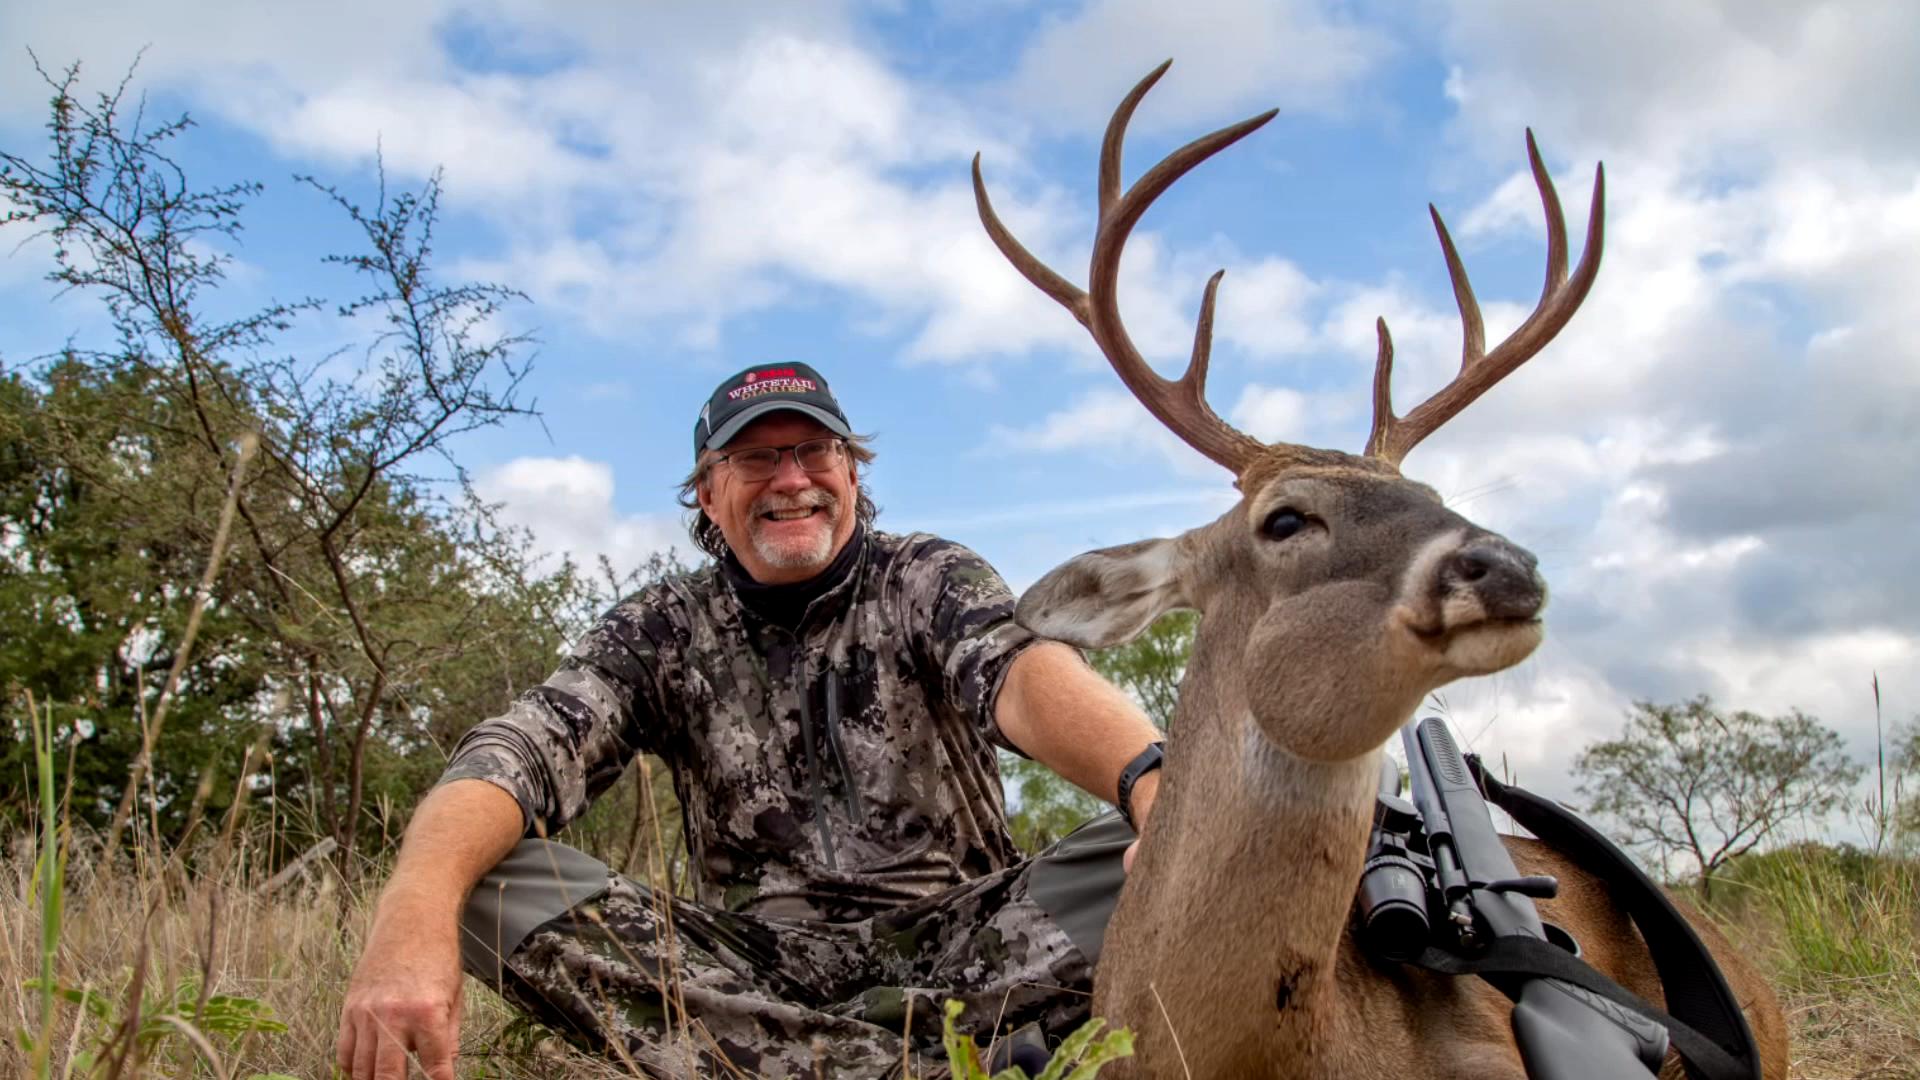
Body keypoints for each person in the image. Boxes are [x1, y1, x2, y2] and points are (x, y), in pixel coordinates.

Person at [336, 363, 1166, 1079]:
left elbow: (1019, 673)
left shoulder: (925, 574)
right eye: (756, 457)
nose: (791, 478)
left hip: (974, 947)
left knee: (1156, 837)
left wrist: (1151, 782)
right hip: (753, 972)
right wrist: (409, 917)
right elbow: (519, 749)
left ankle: (804, 1061)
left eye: (815, 451)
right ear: (708, 489)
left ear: (850, 469)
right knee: (485, 880)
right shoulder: (660, 628)